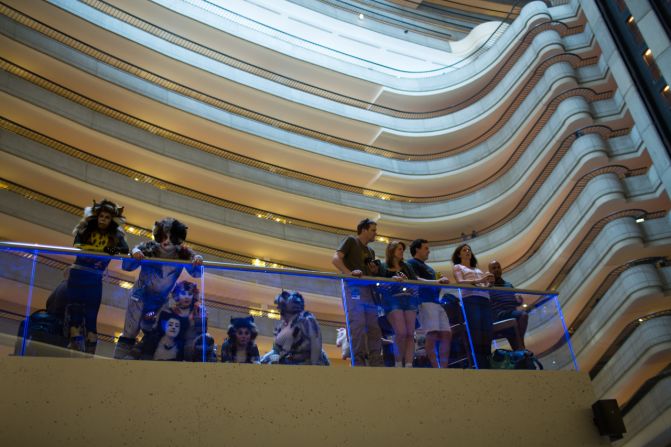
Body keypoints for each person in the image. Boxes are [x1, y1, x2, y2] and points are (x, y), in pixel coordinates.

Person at [114, 217, 203, 359]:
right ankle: (117, 362)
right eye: (163, 237)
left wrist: (197, 258)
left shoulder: (183, 253)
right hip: (139, 296)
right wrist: (134, 253)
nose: (166, 241)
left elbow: (197, 273)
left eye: (171, 237)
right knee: (130, 331)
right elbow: (127, 266)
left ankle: (138, 360)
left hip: (159, 301)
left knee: (153, 332)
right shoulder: (149, 248)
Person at [64, 199, 129, 353]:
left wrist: (110, 251)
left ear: (111, 219)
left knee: (92, 318)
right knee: (75, 316)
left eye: (107, 217)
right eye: (101, 216)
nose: (103, 219)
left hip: (94, 278)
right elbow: (78, 246)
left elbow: (124, 250)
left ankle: (89, 356)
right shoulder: (85, 230)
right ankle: (74, 351)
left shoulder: (116, 236)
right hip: (78, 275)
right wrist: (103, 252)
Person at [331, 218, 383, 367]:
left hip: (368, 291)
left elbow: (368, 274)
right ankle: (358, 363)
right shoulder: (351, 241)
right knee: (357, 325)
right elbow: (335, 259)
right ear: (364, 230)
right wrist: (349, 273)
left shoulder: (370, 251)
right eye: (373, 230)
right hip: (353, 289)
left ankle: (375, 362)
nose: (375, 233)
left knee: (374, 327)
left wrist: (373, 272)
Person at [406, 239, 452, 368]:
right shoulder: (411, 263)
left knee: (446, 334)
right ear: (417, 249)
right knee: (432, 333)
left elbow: (434, 284)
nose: (429, 251)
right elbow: (415, 279)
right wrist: (437, 282)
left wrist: (441, 281)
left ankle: (444, 367)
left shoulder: (430, 268)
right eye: (426, 248)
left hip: (437, 302)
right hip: (424, 301)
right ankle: (435, 367)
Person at [452, 244, 494, 369]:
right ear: (459, 254)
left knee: (487, 329)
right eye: (464, 250)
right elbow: (459, 282)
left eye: (469, 250)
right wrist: (480, 281)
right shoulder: (458, 267)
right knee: (476, 331)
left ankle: (488, 360)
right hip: (470, 299)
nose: (467, 252)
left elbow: (483, 286)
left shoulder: (477, 269)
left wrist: (489, 284)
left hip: (484, 298)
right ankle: (479, 362)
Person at [260, 290, 329, 365]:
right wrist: (263, 359)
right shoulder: (281, 328)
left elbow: (316, 347)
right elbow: (276, 350)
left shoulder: (307, 319)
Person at [379, 240, 418, 368]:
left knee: (410, 333)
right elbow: (378, 285)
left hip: (409, 299)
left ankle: (408, 364)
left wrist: (408, 283)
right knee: (400, 332)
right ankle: (398, 363)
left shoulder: (407, 266)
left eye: (402, 249)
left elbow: (415, 283)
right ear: (392, 251)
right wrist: (391, 281)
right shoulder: (384, 266)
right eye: (399, 249)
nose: (402, 251)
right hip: (392, 299)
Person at [488, 260, 527, 350]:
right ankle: (521, 343)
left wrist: (519, 300)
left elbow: (515, 300)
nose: (497, 269)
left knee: (517, 347)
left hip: (512, 314)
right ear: (490, 272)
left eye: (498, 267)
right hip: (500, 315)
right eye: (494, 268)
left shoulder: (508, 285)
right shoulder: (488, 287)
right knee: (523, 315)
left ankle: (520, 348)